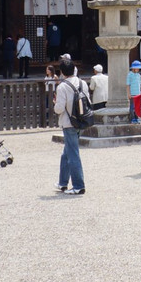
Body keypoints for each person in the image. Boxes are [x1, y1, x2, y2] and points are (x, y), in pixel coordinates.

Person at [53, 59, 86, 194]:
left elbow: (59, 109)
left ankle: (78, 185)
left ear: (62, 72)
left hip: (68, 122)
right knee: (67, 152)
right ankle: (62, 182)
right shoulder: (82, 83)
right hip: (81, 120)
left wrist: (55, 103)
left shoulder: (62, 86)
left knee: (72, 154)